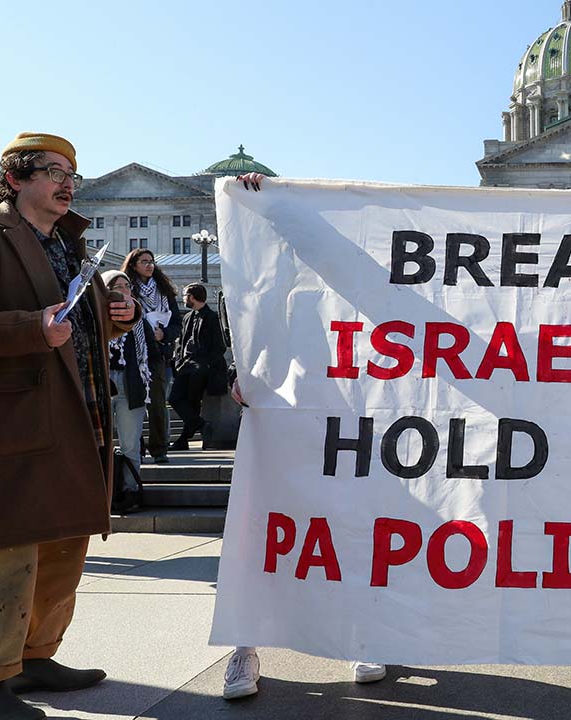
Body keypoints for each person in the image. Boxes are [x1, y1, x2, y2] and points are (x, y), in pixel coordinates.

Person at [0, 133, 138, 720]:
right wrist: (30, 327)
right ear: (17, 179)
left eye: (72, 171)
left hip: (69, 427)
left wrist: (113, 318)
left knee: (61, 547)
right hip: (5, 431)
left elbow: (72, 325)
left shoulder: (70, 251)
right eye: (53, 170)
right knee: (2, 556)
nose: (68, 181)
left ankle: (33, 658)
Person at [219, 173, 387, 699]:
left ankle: (361, 634)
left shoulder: (363, 291)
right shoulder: (274, 288)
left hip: (350, 423)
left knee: (354, 530)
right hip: (281, 419)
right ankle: (243, 648)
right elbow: (250, 337)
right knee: (257, 530)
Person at [121, 249, 181, 464]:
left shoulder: (164, 292)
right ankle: (137, 448)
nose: (149, 265)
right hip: (132, 356)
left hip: (158, 355)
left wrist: (164, 334)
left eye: (151, 262)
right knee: (135, 403)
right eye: (144, 261)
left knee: (157, 403)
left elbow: (176, 324)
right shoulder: (127, 290)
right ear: (133, 265)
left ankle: (159, 448)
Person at [103, 270, 152, 507]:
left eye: (127, 285)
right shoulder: (96, 317)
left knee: (130, 442)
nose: (124, 290)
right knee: (99, 442)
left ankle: (130, 491)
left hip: (131, 384)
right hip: (102, 383)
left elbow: (150, 350)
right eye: (117, 285)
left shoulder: (138, 318)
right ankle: (103, 493)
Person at [169, 283, 227, 450]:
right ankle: (201, 426)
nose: (183, 298)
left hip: (201, 369)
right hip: (185, 367)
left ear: (192, 297)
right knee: (176, 399)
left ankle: (183, 440)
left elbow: (219, 347)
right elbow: (181, 342)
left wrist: (206, 365)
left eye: (185, 295)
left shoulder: (212, 317)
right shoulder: (188, 317)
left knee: (191, 403)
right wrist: (178, 361)